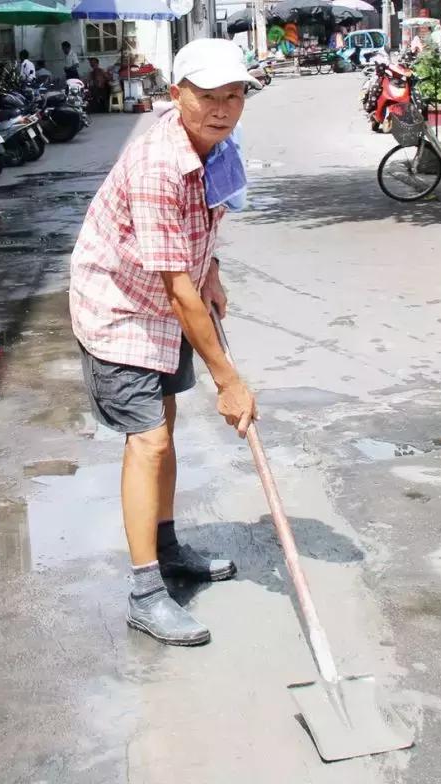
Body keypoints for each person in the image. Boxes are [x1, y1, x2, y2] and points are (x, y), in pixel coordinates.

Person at [68, 39, 261, 647]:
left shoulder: (219, 146)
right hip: (121, 305)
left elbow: (210, 217)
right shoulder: (157, 164)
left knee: (167, 424)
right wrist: (229, 379)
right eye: (208, 97)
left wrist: (215, 272)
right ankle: (146, 592)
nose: (223, 109)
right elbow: (174, 289)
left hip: (168, 297)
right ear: (177, 95)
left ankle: (169, 546)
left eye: (235, 96)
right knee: (147, 440)